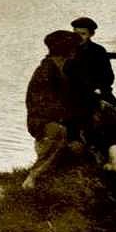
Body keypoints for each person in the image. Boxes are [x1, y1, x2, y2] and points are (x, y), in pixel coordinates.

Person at [22, 30, 84, 190]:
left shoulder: (59, 69)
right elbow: (42, 105)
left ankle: (54, 173)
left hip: (55, 119)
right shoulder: (46, 72)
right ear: (68, 50)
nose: (76, 52)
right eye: (74, 48)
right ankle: (32, 178)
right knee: (59, 133)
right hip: (44, 122)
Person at [66, 16, 116, 176]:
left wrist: (99, 90)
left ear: (91, 34)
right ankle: (90, 158)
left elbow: (109, 77)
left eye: (83, 34)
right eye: (76, 33)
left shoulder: (99, 51)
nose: (78, 37)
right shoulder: (67, 52)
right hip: (76, 96)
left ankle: (115, 162)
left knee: (110, 115)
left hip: (98, 93)